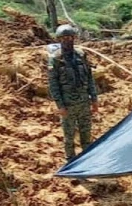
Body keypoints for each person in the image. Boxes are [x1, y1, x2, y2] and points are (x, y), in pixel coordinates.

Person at [48, 24, 98, 162]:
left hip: (84, 103)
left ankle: (87, 161)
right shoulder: (55, 59)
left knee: (86, 135)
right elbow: (53, 85)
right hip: (68, 106)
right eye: (64, 37)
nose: (67, 40)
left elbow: (89, 78)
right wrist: (60, 106)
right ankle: (71, 162)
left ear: (74, 38)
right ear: (59, 39)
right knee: (69, 137)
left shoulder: (81, 55)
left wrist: (94, 100)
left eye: (70, 37)